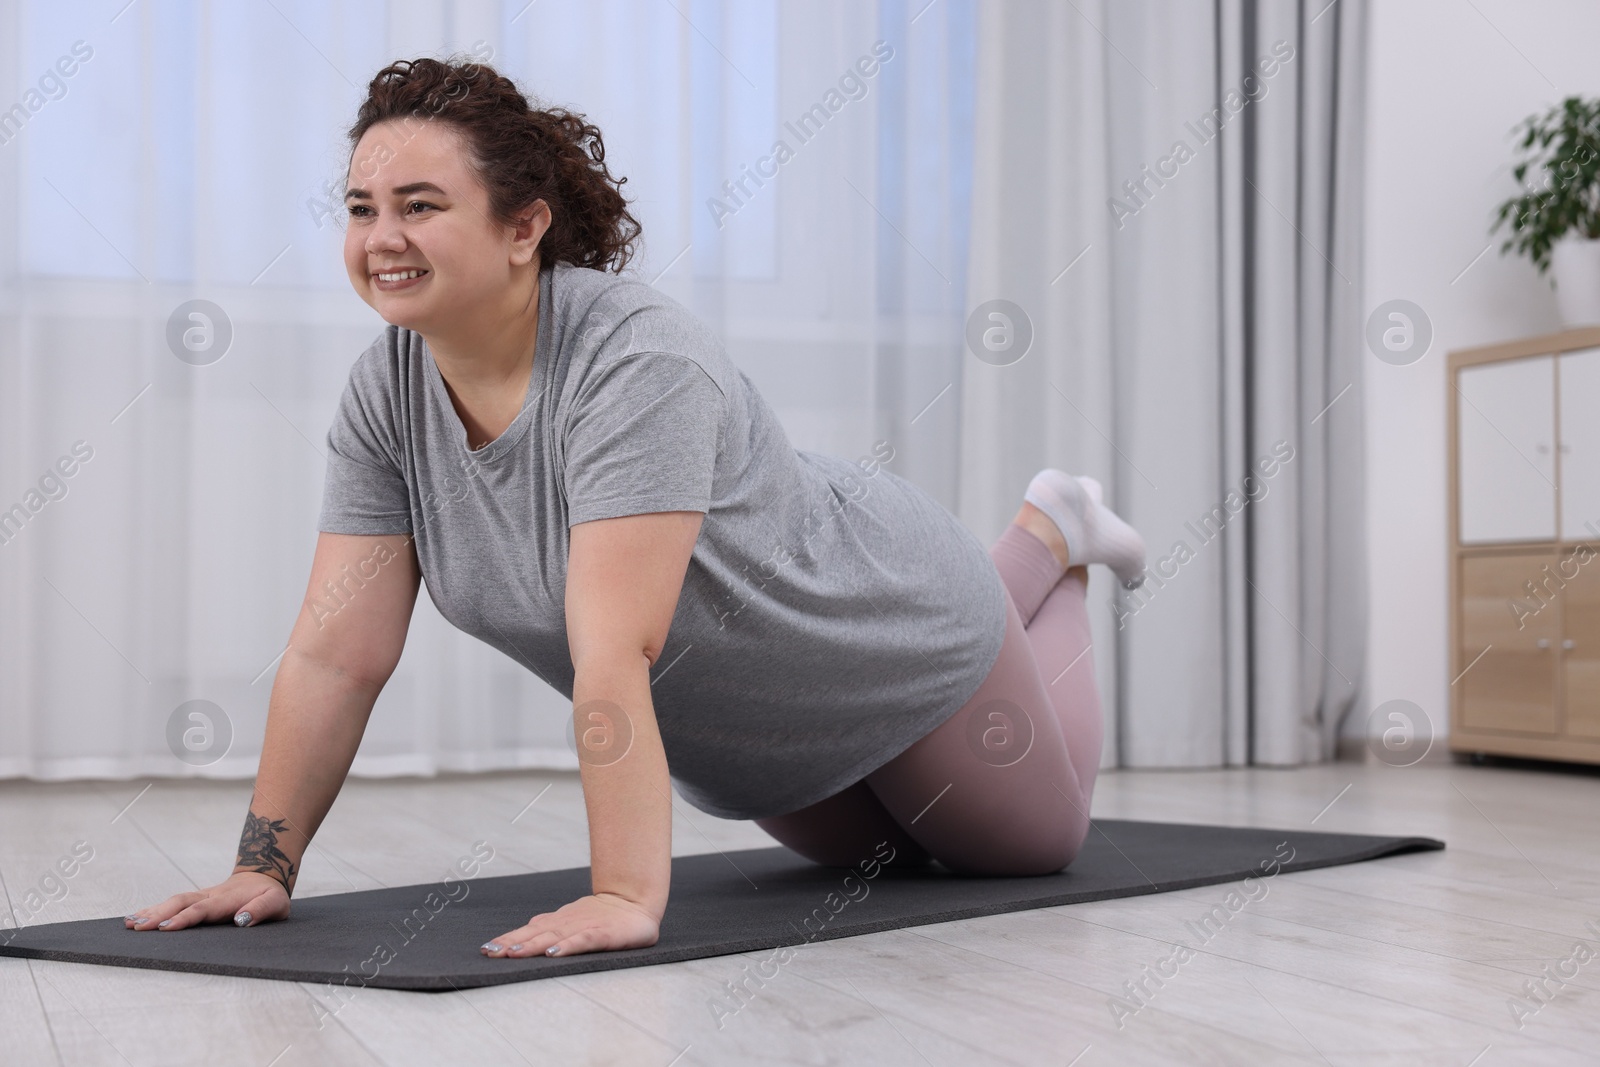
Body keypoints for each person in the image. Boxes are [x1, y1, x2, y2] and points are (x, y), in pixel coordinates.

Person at [125, 56, 1147, 961]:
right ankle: (1042, 531)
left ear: (524, 226)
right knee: (888, 861)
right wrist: (266, 867)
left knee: (1024, 851)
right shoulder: (385, 392)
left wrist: (622, 892)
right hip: (754, 742)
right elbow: (333, 652)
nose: (381, 237)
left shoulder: (634, 359)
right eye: (359, 208)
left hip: (891, 630)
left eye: (420, 205)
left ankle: (1047, 537)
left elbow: (616, 646)